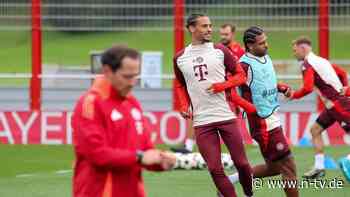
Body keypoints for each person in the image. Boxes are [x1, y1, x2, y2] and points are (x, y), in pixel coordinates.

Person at [71, 45, 176, 197]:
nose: (133, 82)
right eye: (127, 76)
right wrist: (139, 156)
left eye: (135, 76)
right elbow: (97, 154)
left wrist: (161, 161)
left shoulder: (133, 103)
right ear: (107, 71)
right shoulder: (91, 103)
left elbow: (145, 149)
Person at [173, 13, 253, 197]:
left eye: (210, 25)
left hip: (225, 116)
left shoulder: (220, 51)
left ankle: (249, 193)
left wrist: (221, 86)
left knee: (241, 164)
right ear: (192, 28)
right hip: (202, 122)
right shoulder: (180, 58)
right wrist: (184, 105)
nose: (209, 29)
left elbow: (241, 75)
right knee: (215, 169)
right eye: (204, 26)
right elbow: (179, 83)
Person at [227, 26, 299, 197]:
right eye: (262, 43)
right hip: (262, 124)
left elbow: (265, 83)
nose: (266, 45)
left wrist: (281, 88)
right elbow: (229, 91)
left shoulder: (265, 57)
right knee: (288, 166)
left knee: (274, 167)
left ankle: (231, 180)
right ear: (250, 45)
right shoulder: (243, 65)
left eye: (266, 41)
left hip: (272, 117)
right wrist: (249, 108)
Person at [171, 23, 245, 154]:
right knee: (195, 112)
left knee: (229, 119)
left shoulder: (238, 51)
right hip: (210, 87)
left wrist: (228, 87)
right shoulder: (216, 49)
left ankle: (236, 150)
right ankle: (188, 145)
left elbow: (240, 73)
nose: (223, 37)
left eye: (226, 34)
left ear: (233, 34)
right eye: (221, 34)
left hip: (227, 89)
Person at [285, 37, 350, 179]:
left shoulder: (307, 64)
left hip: (338, 104)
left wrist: (293, 95)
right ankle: (319, 167)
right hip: (335, 104)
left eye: (295, 50)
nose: (294, 54)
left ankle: (348, 162)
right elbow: (342, 73)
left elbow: (308, 88)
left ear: (303, 48)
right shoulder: (322, 60)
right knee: (315, 130)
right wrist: (343, 89)